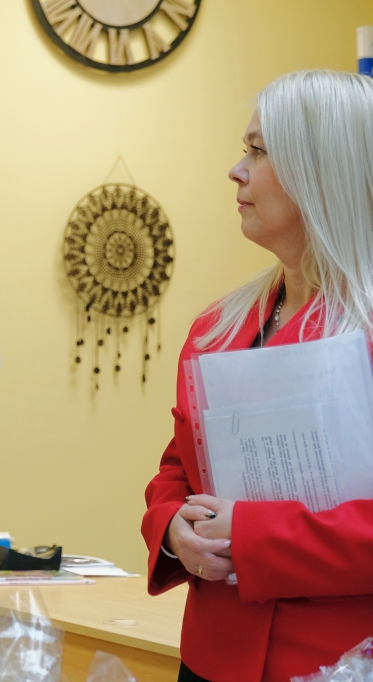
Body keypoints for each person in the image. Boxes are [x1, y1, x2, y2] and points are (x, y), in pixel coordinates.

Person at [142, 70, 373, 682]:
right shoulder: (218, 326)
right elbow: (179, 467)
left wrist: (252, 535)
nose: (236, 170)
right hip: (212, 656)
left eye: (258, 151)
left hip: (337, 661)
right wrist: (172, 527)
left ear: (321, 172)